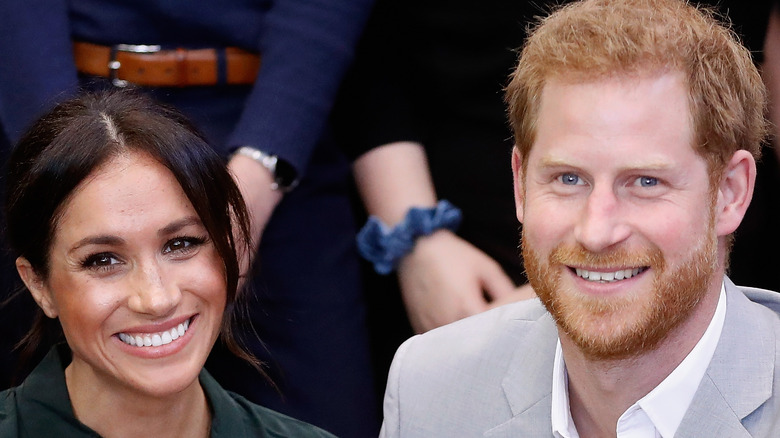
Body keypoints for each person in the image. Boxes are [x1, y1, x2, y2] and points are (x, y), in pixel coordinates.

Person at [379, 0, 780, 436]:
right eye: (569, 178)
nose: (596, 231)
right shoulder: (428, 387)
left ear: (730, 193)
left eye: (645, 182)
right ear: (520, 185)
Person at [0, 2, 378, 435]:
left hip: (283, 126)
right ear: (37, 283)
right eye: (103, 258)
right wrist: (67, 157)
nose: (156, 298)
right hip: (63, 107)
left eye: (182, 243)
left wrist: (260, 172)